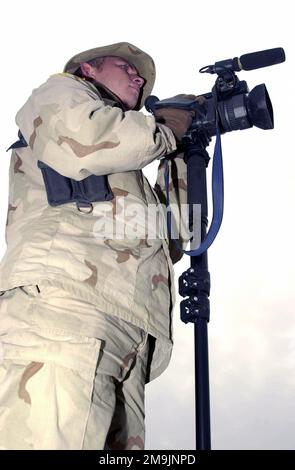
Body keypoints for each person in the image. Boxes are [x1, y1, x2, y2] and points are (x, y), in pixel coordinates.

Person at [0, 42, 196, 450]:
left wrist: (184, 154)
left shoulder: (130, 167)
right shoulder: (62, 94)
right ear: (88, 70)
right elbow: (85, 140)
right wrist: (165, 132)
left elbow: (180, 236)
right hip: (67, 309)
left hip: (128, 334)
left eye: (140, 78)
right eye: (126, 67)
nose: (138, 78)